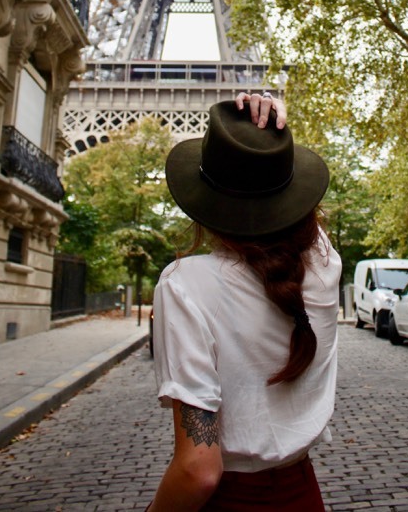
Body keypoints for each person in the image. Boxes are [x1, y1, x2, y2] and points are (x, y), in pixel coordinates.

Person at [148, 91, 341, 511]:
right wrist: (271, 139)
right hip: (304, 496)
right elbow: (307, 224)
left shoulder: (184, 284)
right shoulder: (326, 267)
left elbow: (198, 471)